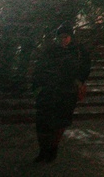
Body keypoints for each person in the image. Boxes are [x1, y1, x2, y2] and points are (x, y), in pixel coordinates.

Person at [31, 24, 91, 163]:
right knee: (43, 123)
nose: (63, 40)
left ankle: (52, 149)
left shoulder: (77, 51)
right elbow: (40, 69)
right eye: (61, 37)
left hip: (66, 92)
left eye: (66, 37)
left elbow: (85, 67)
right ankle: (44, 150)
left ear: (70, 37)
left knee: (59, 123)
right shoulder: (51, 51)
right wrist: (38, 87)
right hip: (50, 90)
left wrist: (78, 80)